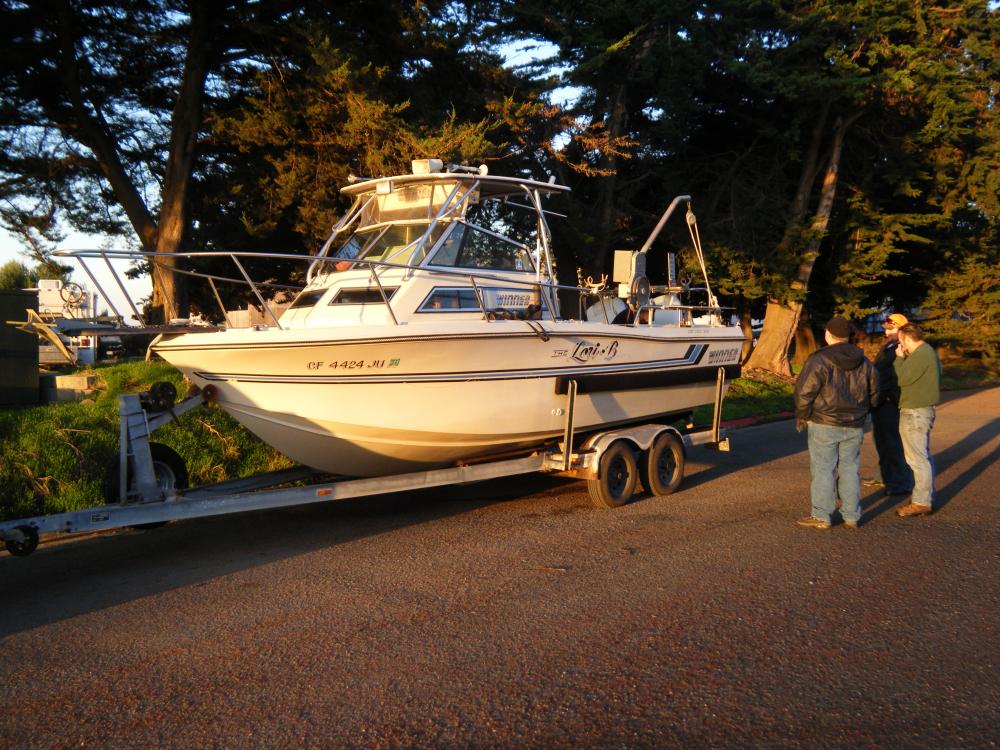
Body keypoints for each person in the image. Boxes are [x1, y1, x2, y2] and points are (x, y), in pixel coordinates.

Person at [793, 316, 880, 529]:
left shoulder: (819, 359)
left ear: (827, 335)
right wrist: (865, 411)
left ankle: (822, 515)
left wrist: (803, 415)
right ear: (847, 336)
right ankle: (851, 515)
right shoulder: (864, 361)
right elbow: (875, 392)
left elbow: (804, 393)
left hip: (823, 422)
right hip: (855, 424)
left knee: (824, 469)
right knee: (850, 468)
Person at [893, 323, 941, 517]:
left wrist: (899, 359)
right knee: (923, 456)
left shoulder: (920, 355)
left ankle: (921, 501)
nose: (899, 343)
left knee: (916, 458)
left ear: (906, 338)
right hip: (923, 410)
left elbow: (902, 378)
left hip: (915, 412)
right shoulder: (928, 352)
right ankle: (924, 495)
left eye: (899, 339)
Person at [863, 313, 914, 496]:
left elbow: (893, 378)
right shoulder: (889, 346)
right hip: (881, 400)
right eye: (886, 329)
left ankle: (900, 482)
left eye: (891, 329)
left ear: (901, 329)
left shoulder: (901, 349)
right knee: (882, 441)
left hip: (890, 401)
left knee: (892, 442)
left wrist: (880, 395)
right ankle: (886, 476)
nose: (887, 333)